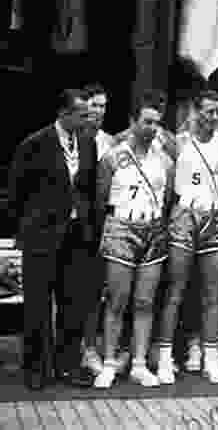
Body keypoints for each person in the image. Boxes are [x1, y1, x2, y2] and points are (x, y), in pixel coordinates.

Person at [8, 89, 99, 390]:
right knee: (37, 304)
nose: (89, 119)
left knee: (73, 301)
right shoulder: (34, 144)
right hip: (41, 236)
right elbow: (17, 192)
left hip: (75, 235)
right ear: (63, 114)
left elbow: (87, 188)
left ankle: (68, 365)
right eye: (82, 114)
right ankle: (36, 369)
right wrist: (28, 228)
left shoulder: (87, 143)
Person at [94, 90, 175, 388]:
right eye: (147, 122)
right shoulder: (113, 157)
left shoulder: (166, 161)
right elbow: (101, 200)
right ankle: (109, 363)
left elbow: (167, 201)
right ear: (133, 122)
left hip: (152, 229)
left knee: (145, 301)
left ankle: (139, 363)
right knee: (117, 300)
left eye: (157, 123)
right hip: (121, 228)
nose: (152, 128)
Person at [155, 90, 218, 384]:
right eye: (209, 111)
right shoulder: (178, 143)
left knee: (212, 293)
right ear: (196, 111)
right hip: (184, 215)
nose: (214, 117)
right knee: (175, 291)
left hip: (213, 216)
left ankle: (211, 358)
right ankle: (165, 358)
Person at [80, 83, 111, 377]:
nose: (99, 111)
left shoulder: (111, 142)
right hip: (73, 224)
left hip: (101, 226)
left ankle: (90, 349)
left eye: (103, 106)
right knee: (65, 292)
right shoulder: (71, 137)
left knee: (94, 292)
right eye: (94, 104)